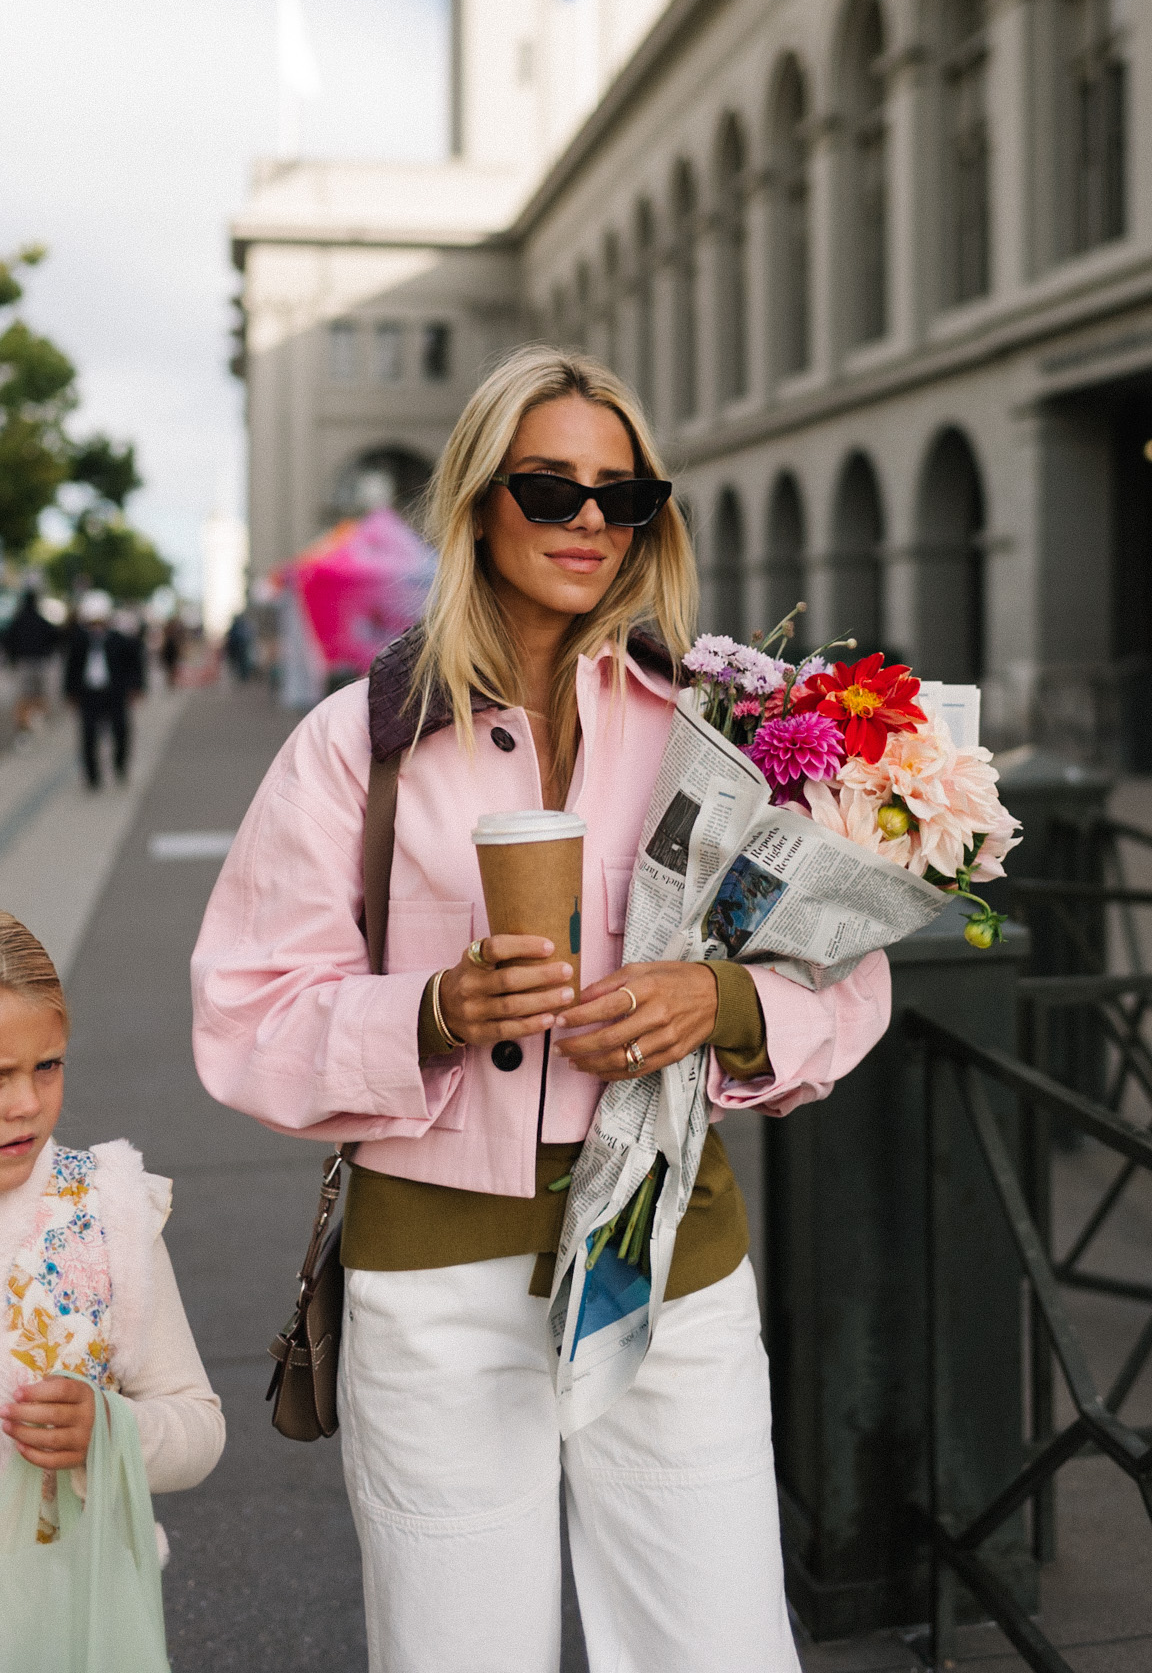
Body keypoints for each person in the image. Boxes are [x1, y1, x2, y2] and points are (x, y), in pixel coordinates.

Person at [191, 346, 891, 1673]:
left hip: (664, 1252)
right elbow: (245, 1014)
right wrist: (432, 1012)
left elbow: (849, 977)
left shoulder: (717, 727)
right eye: (550, 488)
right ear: (476, 498)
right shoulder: (361, 742)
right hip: (435, 1274)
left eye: (622, 498)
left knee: (719, 1646)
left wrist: (724, 1002)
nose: (588, 524)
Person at [0, 912, 225, 1575]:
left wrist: (110, 1430)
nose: (25, 1103)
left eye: (47, 1067)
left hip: (77, 1604)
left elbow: (197, 1425)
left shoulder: (105, 1209)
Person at [63, 590, 146, 789]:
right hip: (89, 694)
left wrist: (136, 687)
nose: (97, 627)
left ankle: (120, 767)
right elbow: (71, 668)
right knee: (88, 735)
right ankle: (92, 777)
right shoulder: (79, 641)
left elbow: (134, 664)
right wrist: (70, 692)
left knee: (121, 731)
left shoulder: (120, 640)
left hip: (114, 693)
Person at [2, 585, 61, 732]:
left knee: (24, 695)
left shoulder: (18, 621)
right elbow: (55, 637)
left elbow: (7, 640)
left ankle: (25, 724)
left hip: (23, 662)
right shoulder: (40, 620)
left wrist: (12, 657)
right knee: (38, 694)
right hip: (39, 661)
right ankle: (35, 721)